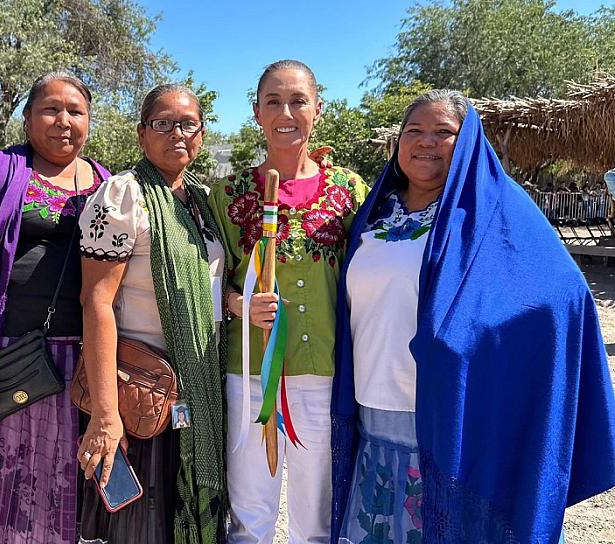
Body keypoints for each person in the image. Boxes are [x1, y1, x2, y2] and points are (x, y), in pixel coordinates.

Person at [331, 90, 615, 543]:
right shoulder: (375, 214)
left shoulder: (498, 209)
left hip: (455, 415)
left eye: (444, 132)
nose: (426, 141)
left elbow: (564, 297)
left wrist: (465, 340)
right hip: (373, 412)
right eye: (414, 131)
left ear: (468, 143)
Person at [0, 72, 109, 543]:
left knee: (63, 494)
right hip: (4, 360)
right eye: (50, 109)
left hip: (82, 368)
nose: (63, 121)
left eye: (76, 111)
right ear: (27, 118)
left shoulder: (107, 185)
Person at [207, 60, 369, 543]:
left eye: (298, 100)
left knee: (314, 515)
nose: (286, 111)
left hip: (322, 374)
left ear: (317, 110)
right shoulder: (227, 193)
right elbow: (208, 279)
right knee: (250, 513)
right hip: (250, 374)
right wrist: (239, 305)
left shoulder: (349, 190)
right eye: (273, 101)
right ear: (256, 112)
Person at [77, 84, 226, 543]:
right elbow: (96, 302)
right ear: (142, 135)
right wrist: (106, 415)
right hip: (140, 396)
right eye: (162, 123)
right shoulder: (122, 196)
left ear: (201, 135)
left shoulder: (203, 202)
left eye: (188, 124)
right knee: (141, 526)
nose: (176, 133)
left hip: (198, 390)